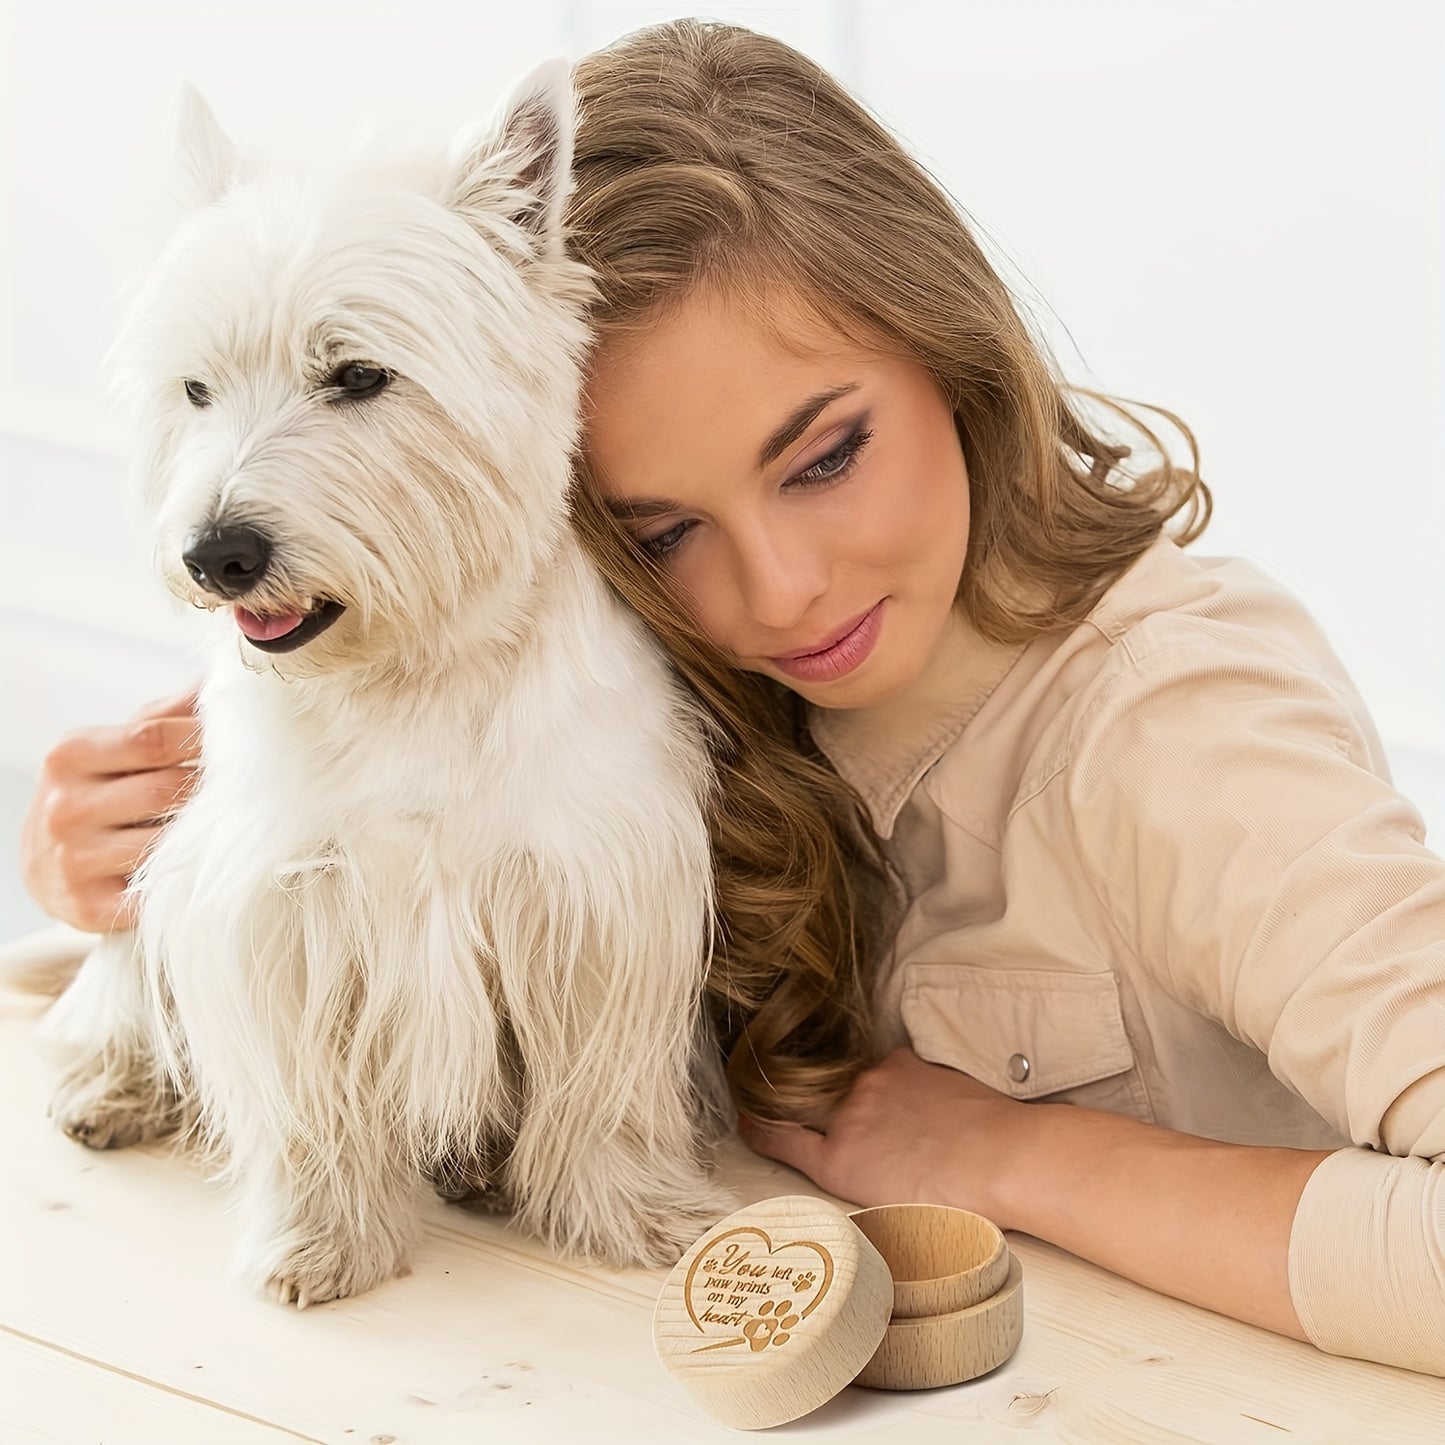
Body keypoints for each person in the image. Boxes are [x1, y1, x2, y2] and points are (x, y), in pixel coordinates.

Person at [17, 18, 1443, 1376]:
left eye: (823, 455)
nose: (777, 592)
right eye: (657, 530)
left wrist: (997, 1154)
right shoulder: (660, 675)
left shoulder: (1184, 733)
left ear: (949, 345)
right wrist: (117, 876)